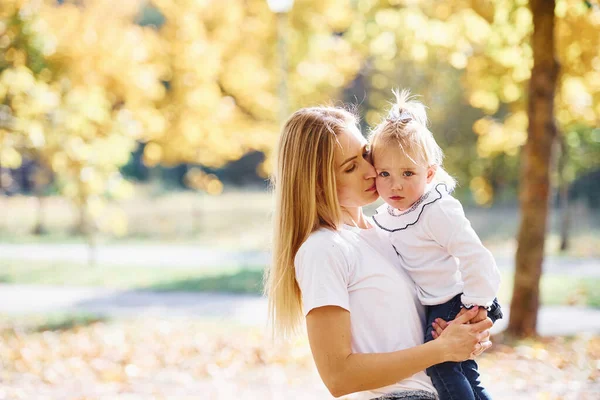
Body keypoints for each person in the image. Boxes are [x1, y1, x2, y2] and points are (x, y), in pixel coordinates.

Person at [265, 105, 494, 400]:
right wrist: (441, 350)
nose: (370, 170)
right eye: (350, 167)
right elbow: (338, 376)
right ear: (318, 184)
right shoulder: (323, 249)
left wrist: (466, 334)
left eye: (365, 154)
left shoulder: (390, 231)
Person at [369, 90, 503, 400]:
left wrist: (475, 305)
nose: (395, 184)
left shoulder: (436, 209)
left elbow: (475, 256)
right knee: (464, 370)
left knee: (441, 365)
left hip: (457, 298)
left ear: (429, 174)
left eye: (408, 173)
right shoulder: (390, 214)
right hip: (437, 299)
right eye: (384, 174)